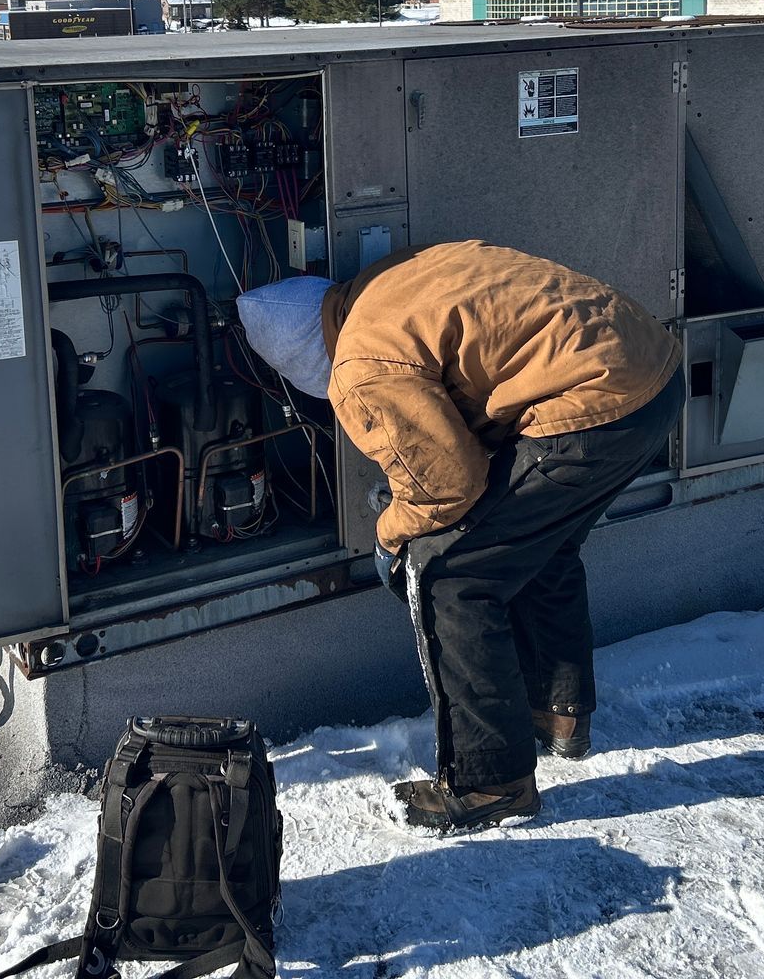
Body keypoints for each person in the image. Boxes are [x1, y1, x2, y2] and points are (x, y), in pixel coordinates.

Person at [236, 240, 684, 834]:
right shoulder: (393, 278)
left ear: (305, 364)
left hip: (593, 408)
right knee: (537, 547)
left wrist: (390, 538)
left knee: (453, 575)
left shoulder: (360, 368)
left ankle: (489, 782)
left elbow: (448, 486)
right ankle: (559, 714)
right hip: (651, 370)